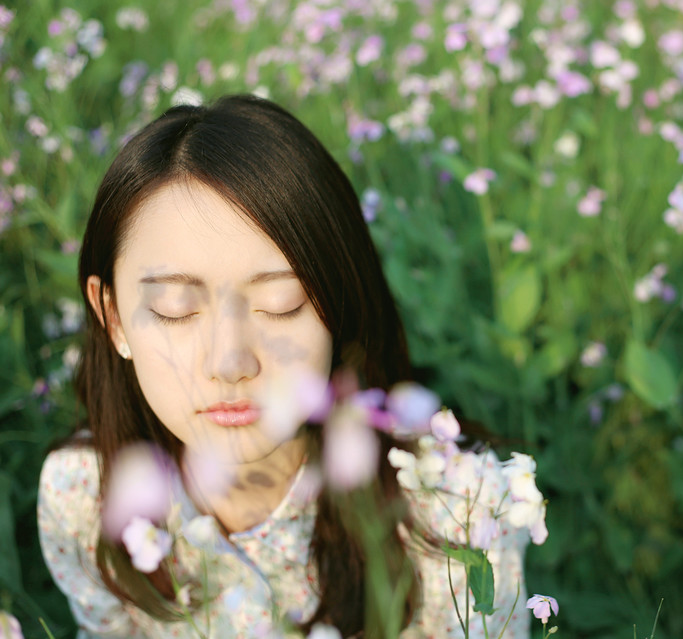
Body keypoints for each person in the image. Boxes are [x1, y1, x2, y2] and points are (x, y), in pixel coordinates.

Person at [37, 95, 532, 638]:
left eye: (281, 303)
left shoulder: (456, 510)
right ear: (113, 318)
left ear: (337, 305)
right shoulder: (83, 497)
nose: (229, 362)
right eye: (176, 309)